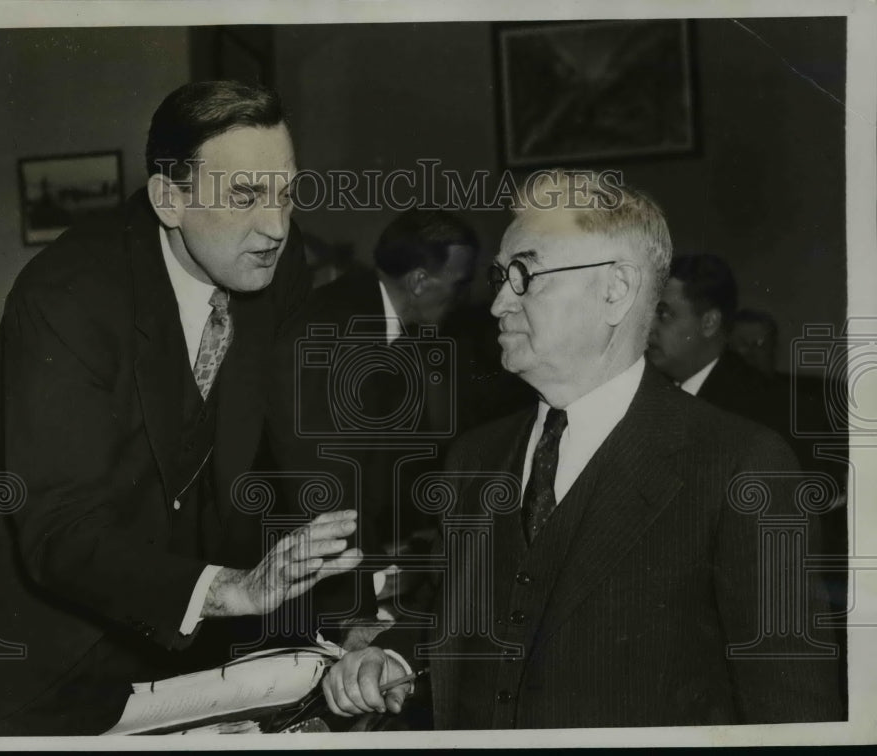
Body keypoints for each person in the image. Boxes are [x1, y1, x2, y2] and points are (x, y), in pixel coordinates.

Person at [0, 80, 362, 735]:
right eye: (244, 196)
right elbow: (61, 530)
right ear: (169, 199)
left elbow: (301, 442)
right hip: (10, 641)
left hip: (157, 629)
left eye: (286, 193)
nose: (276, 225)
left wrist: (352, 613)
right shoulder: (67, 294)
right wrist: (227, 591)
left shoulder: (272, 263)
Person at [320, 170, 842, 728]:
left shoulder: (738, 463)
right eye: (500, 276)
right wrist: (393, 652)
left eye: (524, 274)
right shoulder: (474, 457)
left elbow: (792, 711)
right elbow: (464, 609)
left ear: (615, 289)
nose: (498, 303)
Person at [269, 209, 479, 557]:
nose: (464, 299)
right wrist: (368, 583)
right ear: (418, 282)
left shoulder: (394, 332)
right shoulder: (330, 333)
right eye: (458, 286)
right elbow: (326, 493)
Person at [646, 254, 785, 434]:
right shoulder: (650, 389)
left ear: (709, 323)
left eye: (664, 314)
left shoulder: (757, 412)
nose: (648, 326)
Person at [729, 308, 780, 378]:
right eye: (742, 344)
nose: (750, 353)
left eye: (759, 344)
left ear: (774, 349)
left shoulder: (792, 387)